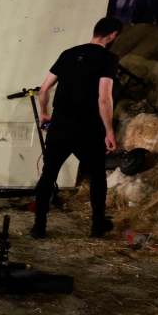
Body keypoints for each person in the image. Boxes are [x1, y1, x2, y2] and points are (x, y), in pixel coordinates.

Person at [32, 16, 123, 240]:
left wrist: (45, 113)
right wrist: (109, 131)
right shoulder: (109, 58)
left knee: (47, 175)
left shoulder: (68, 53)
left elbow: (43, 90)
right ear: (113, 35)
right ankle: (97, 225)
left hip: (61, 124)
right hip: (89, 127)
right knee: (97, 176)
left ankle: (39, 226)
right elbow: (104, 98)